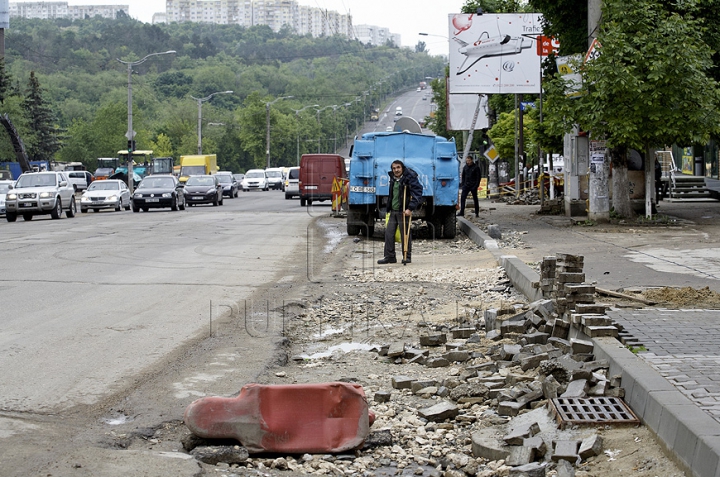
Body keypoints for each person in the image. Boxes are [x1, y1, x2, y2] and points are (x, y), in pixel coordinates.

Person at [377, 160, 423, 265]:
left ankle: (407, 256)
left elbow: (417, 192)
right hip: (393, 210)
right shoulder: (393, 178)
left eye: (398, 167)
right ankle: (390, 257)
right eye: (394, 168)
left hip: (403, 211)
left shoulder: (409, 177)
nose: (396, 170)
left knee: (405, 234)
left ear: (402, 168)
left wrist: (410, 208)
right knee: (389, 234)